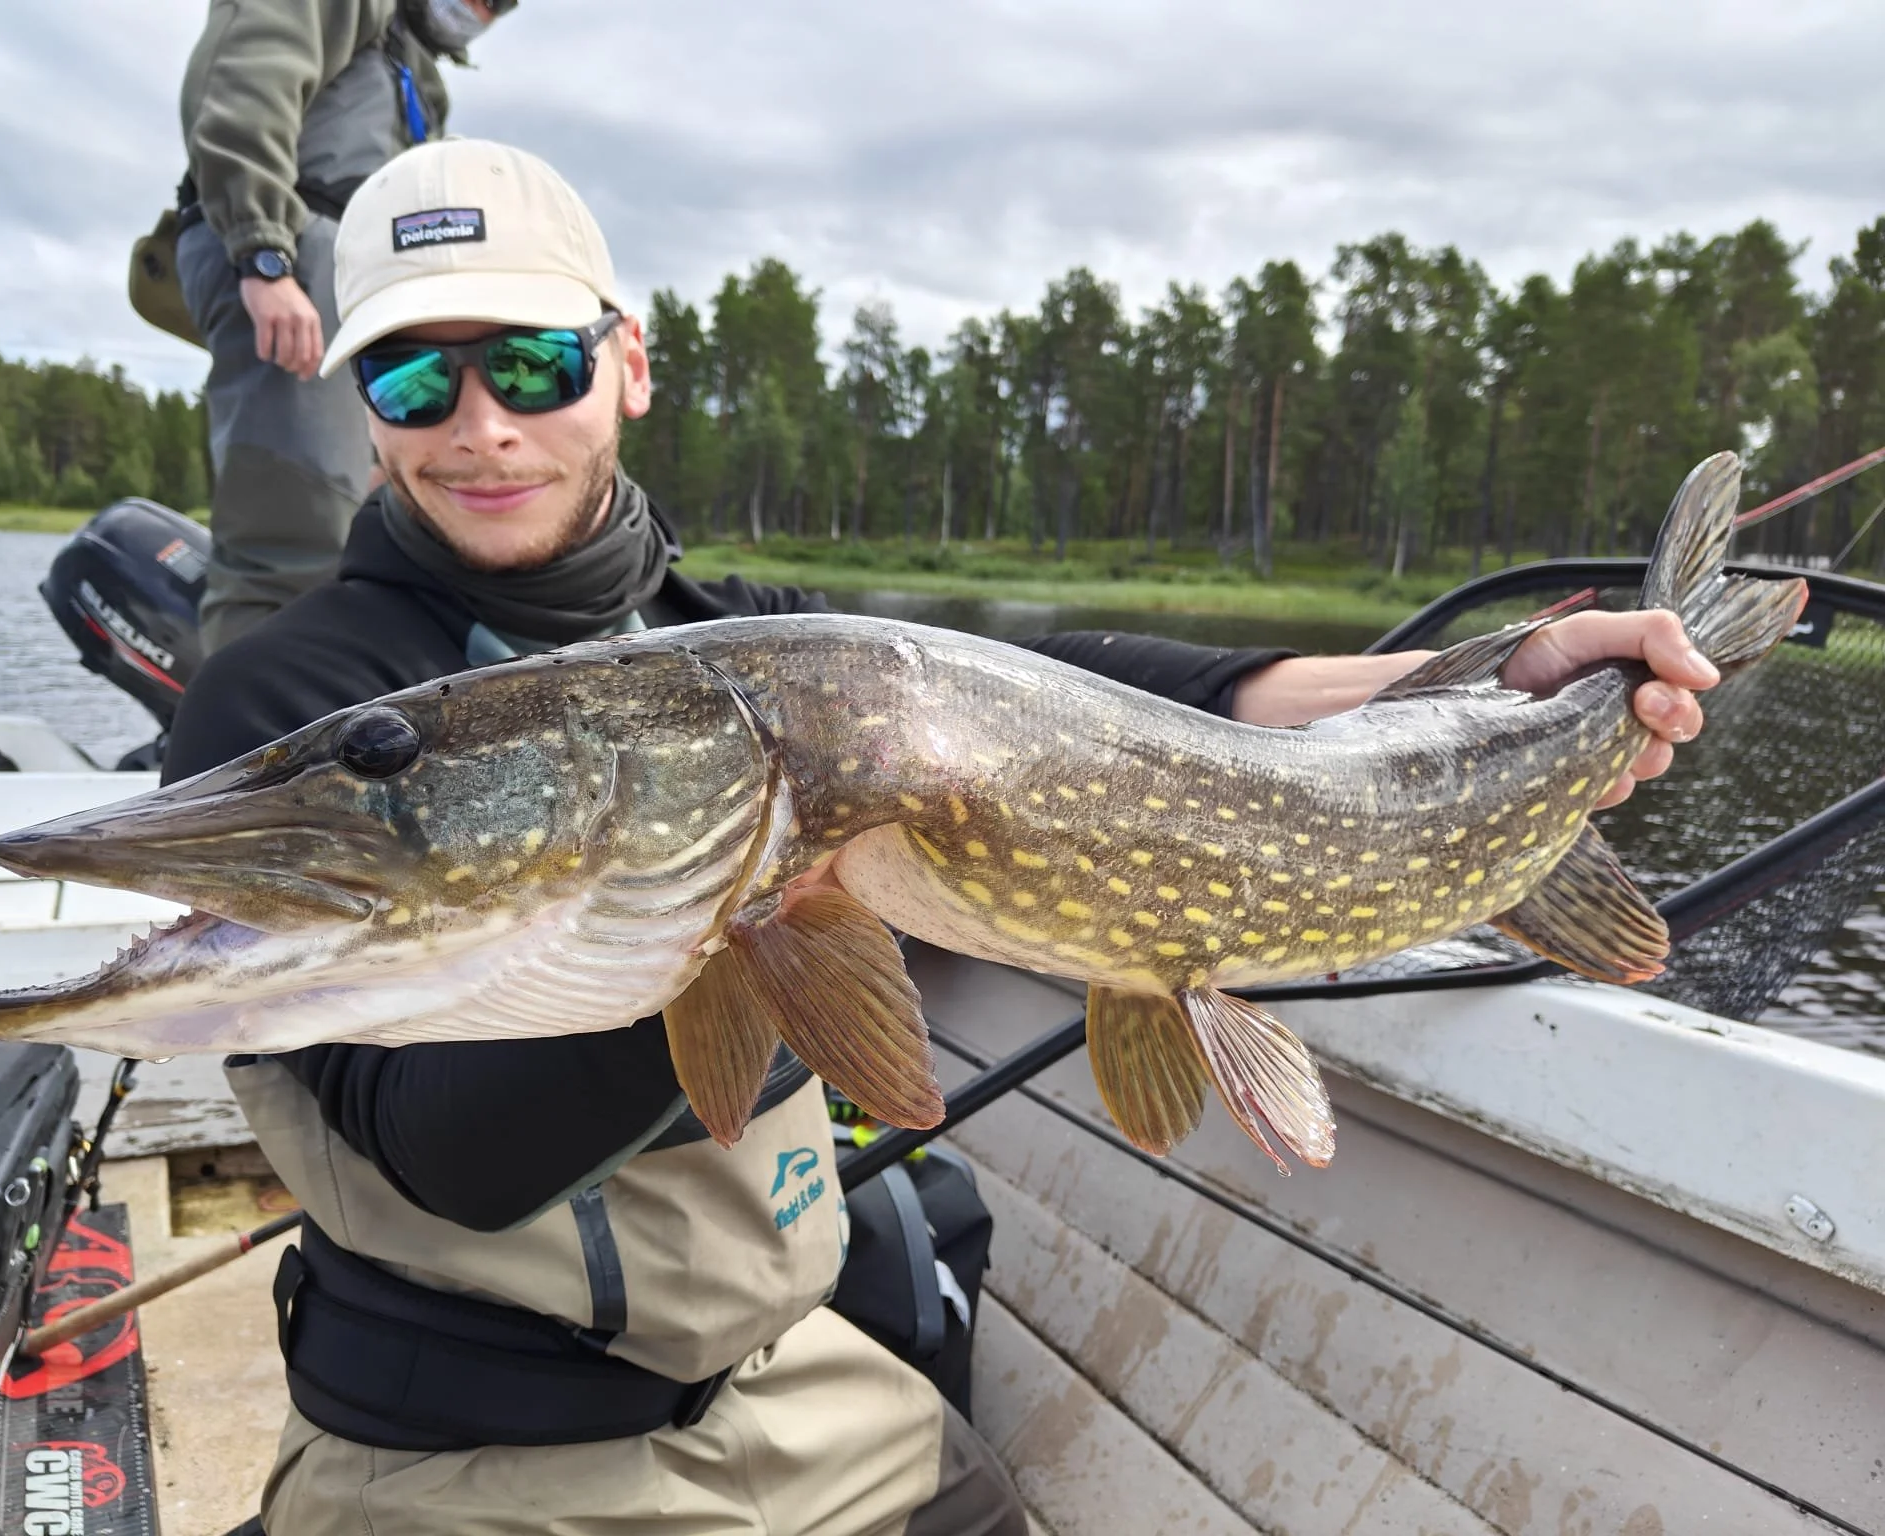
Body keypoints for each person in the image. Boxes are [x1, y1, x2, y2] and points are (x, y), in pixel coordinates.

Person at [161, 138, 1720, 1536]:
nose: (482, 428)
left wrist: (1490, 685)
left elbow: (1091, 693)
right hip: (472, 1462)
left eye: (531, 363)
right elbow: (448, 1155)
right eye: (413, 383)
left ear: (626, 365)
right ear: (365, 414)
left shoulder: (741, 635)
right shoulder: (302, 717)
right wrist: (740, 880)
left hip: (789, 1386)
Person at [174, 0, 517, 653]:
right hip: (292, 256)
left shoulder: (411, 62)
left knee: (370, 533)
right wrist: (264, 253)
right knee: (291, 542)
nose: (479, 11)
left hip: (357, 287)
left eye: (496, 5)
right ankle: (251, 717)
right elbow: (245, 78)